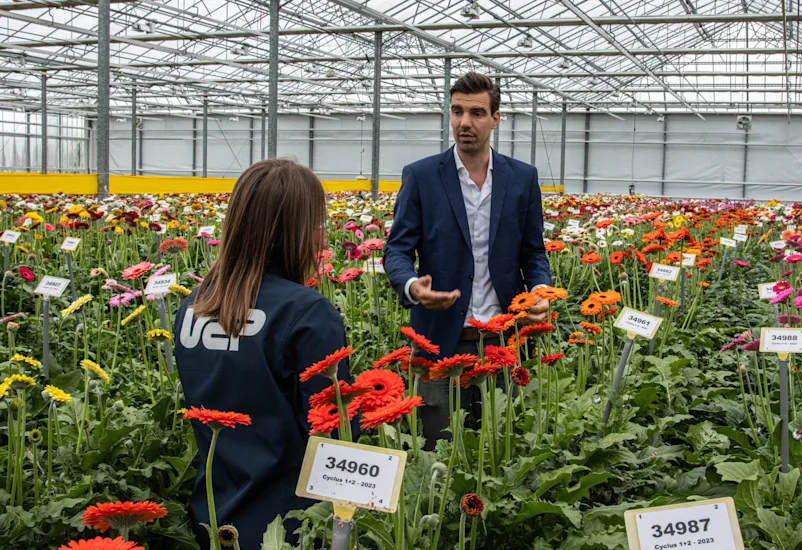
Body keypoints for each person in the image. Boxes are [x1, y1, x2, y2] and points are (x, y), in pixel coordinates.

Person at [173, 158, 352, 549]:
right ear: (295, 229)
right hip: (290, 525)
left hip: (214, 515)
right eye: (317, 225)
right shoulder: (307, 313)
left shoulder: (194, 306)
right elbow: (334, 433)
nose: (322, 239)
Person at [384, 71, 552, 450]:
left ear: (496, 118)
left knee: (500, 447)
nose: (464, 122)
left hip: (502, 340)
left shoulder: (522, 178)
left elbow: (533, 251)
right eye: (457, 111)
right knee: (437, 448)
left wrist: (540, 292)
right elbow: (396, 249)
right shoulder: (422, 176)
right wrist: (412, 287)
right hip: (440, 340)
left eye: (476, 113)